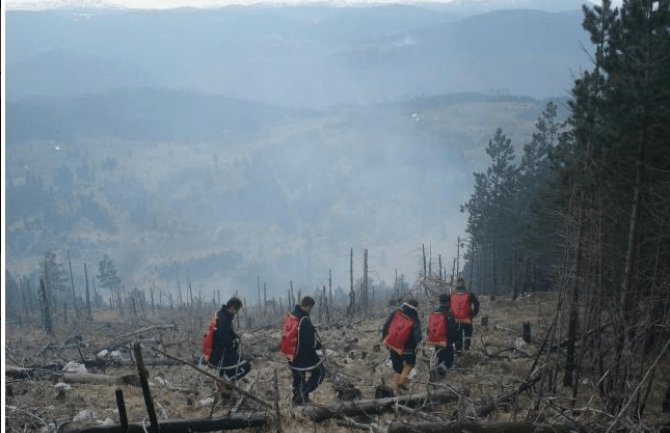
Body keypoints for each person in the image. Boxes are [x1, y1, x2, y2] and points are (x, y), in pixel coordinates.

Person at [280, 296, 326, 406]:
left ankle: (298, 400)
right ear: (309, 306)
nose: (311, 310)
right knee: (320, 373)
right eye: (311, 308)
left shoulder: (291, 315)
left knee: (298, 378)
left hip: (291, 356)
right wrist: (319, 346)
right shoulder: (304, 320)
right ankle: (301, 395)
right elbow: (310, 342)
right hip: (304, 358)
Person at [381, 299, 421, 393]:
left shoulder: (396, 312)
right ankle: (401, 382)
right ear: (416, 307)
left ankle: (396, 391)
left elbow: (386, 326)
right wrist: (414, 345)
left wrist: (385, 339)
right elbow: (417, 337)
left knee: (397, 368)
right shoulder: (415, 318)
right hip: (407, 348)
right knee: (410, 363)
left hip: (393, 345)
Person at [209, 297, 251, 381]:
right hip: (220, 357)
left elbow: (228, 333)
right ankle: (225, 382)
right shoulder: (224, 319)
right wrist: (233, 344)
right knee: (246, 366)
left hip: (219, 354)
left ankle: (225, 384)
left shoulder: (222, 315)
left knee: (242, 361)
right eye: (236, 310)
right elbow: (224, 340)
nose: (236, 313)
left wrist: (235, 337)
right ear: (232, 308)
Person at [427, 293, 458, 379]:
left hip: (436, 342)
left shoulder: (434, 313)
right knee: (449, 361)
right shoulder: (449, 314)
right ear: (448, 302)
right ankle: (438, 372)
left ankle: (438, 376)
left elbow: (429, 329)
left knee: (440, 359)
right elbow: (452, 330)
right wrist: (455, 341)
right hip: (446, 342)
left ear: (440, 301)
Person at [450, 278, 480, 352]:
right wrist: (473, 313)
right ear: (464, 284)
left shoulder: (452, 294)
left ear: (456, 284)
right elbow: (477, 303)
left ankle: (458, 351)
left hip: (456, 320)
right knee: (467, 334)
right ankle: (467, 349)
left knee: (457, 336)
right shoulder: (469, 293)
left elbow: (448, 306)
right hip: (467, 318)